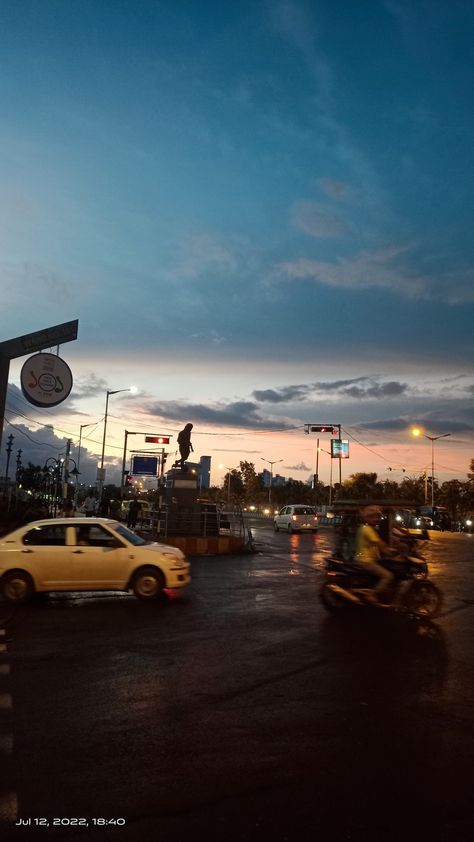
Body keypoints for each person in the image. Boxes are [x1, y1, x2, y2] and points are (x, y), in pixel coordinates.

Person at [354, 506, 394, 604]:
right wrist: (390, 551)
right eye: (374, 517)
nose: (377, 519)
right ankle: (371, 595)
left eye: (377, 517)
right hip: (366, 560)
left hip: (366, 559)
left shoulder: (364, 528)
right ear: (368, 518)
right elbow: (379, 543)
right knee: (388, 576)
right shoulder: (367, 529)